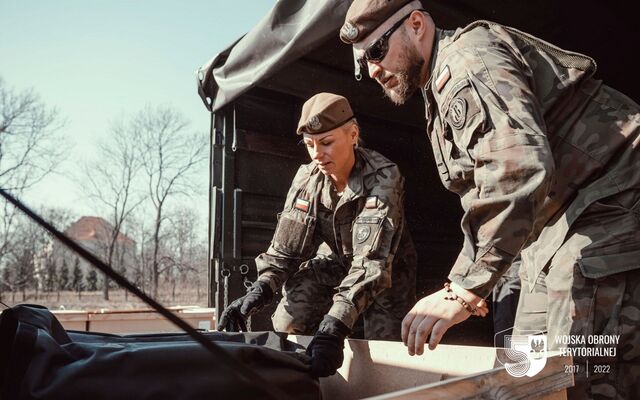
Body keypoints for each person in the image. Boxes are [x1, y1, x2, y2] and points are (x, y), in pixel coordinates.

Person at [339, 1, 640, 398]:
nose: (373, 70)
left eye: (376, 51)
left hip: (614, 198)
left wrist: (466, 289)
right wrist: (469, 280)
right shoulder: (439, 89)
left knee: (577, 370)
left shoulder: (467, 61)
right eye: (364, 65)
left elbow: (517, 171)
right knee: (528, 369)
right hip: (554, 227)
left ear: (416, 25)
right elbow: (485, 192)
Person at [217, 92, 417, 377]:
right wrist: (258, 291)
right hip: (334, 263)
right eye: (310, 145)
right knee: (288, 320)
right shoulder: (307, 178)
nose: (317, 154)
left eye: (326, 143)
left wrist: (333, 325)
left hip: (386, 272)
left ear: (353, 134)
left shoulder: (384, 176)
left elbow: (371, 263)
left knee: (384, 352)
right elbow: (285, 251)